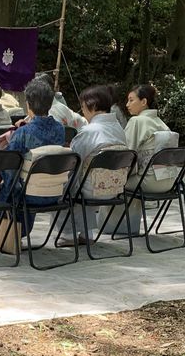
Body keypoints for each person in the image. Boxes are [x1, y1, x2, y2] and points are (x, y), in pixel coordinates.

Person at [55, 85, 130, 246]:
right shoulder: (119, 129)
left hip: (92, 189)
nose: (82, 112)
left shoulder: (89, 131)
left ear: (93, 106)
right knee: (87, 175)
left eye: (83, 107)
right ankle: (87, 233)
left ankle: (68, 234)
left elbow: (73, 159)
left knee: (66, 181)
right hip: (115, 188)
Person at [0, 76, 66, 235]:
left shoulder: (23, 133)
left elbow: (9, 167)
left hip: (28, 195)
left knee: (10, 182)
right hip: (55, 192)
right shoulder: (60, 130)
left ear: (28, 104)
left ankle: (11, 233)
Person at [123, 83, 178, 235]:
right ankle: (129, 225)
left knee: (113, 181)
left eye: (131, 100)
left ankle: (118, 227)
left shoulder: (137, 121)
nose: (127, 104)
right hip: (169, 181)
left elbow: (126, 153)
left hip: (147, 182)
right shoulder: (161, 123)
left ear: (144, 102)